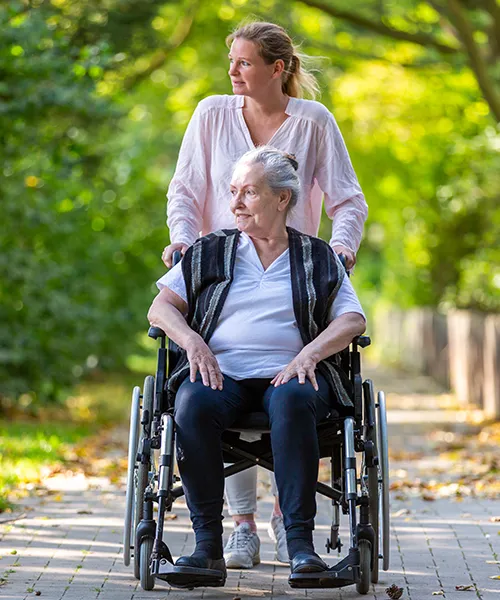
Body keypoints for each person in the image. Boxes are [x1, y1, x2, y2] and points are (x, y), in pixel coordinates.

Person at [162, 21, 368, 568]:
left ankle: (290, 526)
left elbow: (348, 201)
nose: (232, 70)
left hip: (294, 278)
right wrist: (184, 242)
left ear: (278, 68)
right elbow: (185, 189)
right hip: (216, 276)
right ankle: (237, 528)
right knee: (206, 389)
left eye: (244, 62)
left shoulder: (313, 123)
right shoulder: (210, 114)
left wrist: (339, 254)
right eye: (230, 60)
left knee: (291, 392)